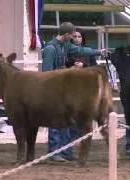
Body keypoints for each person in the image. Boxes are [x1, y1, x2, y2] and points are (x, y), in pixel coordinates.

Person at [42, 22, 107, 162]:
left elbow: (81, 51)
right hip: (52, 90)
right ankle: (54, 153)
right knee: (55, 121)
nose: (73, 38)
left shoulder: (64, 46)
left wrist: (99, 52)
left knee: (65, 121)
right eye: (72, 35)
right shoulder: (50, 49)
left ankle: (64, 152)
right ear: (66, 35)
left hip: (61, 89)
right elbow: (46, 74)